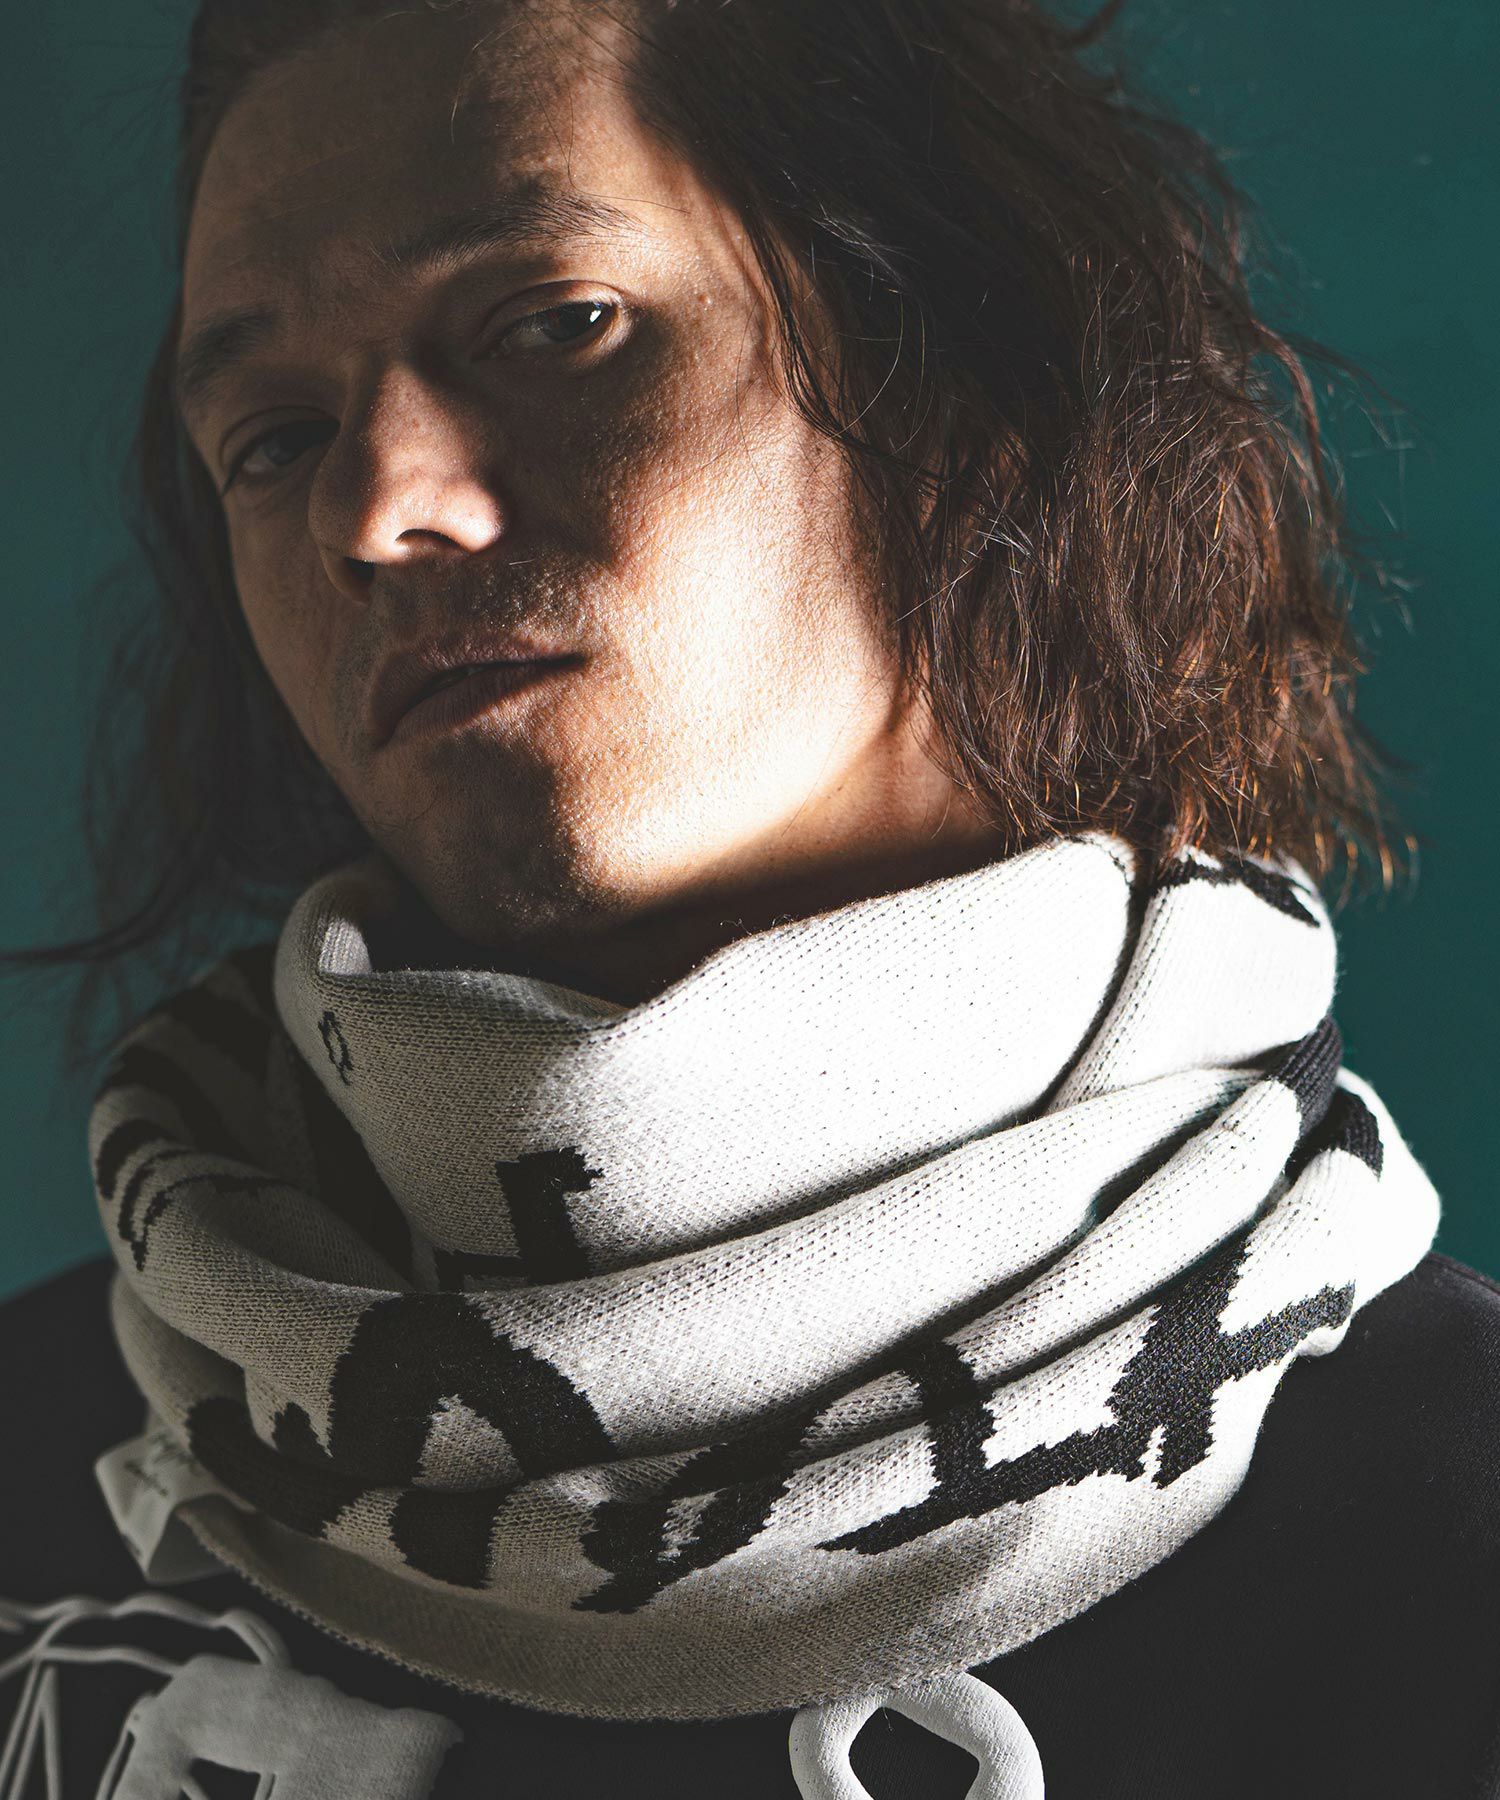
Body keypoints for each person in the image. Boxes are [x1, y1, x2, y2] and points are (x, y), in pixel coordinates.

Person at [2, 0, 1496, 1793]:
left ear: (959, 364)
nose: (376, 502)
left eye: (555, 322)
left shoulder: (1454, 1537)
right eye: (270, 434)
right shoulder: (28, 1464)